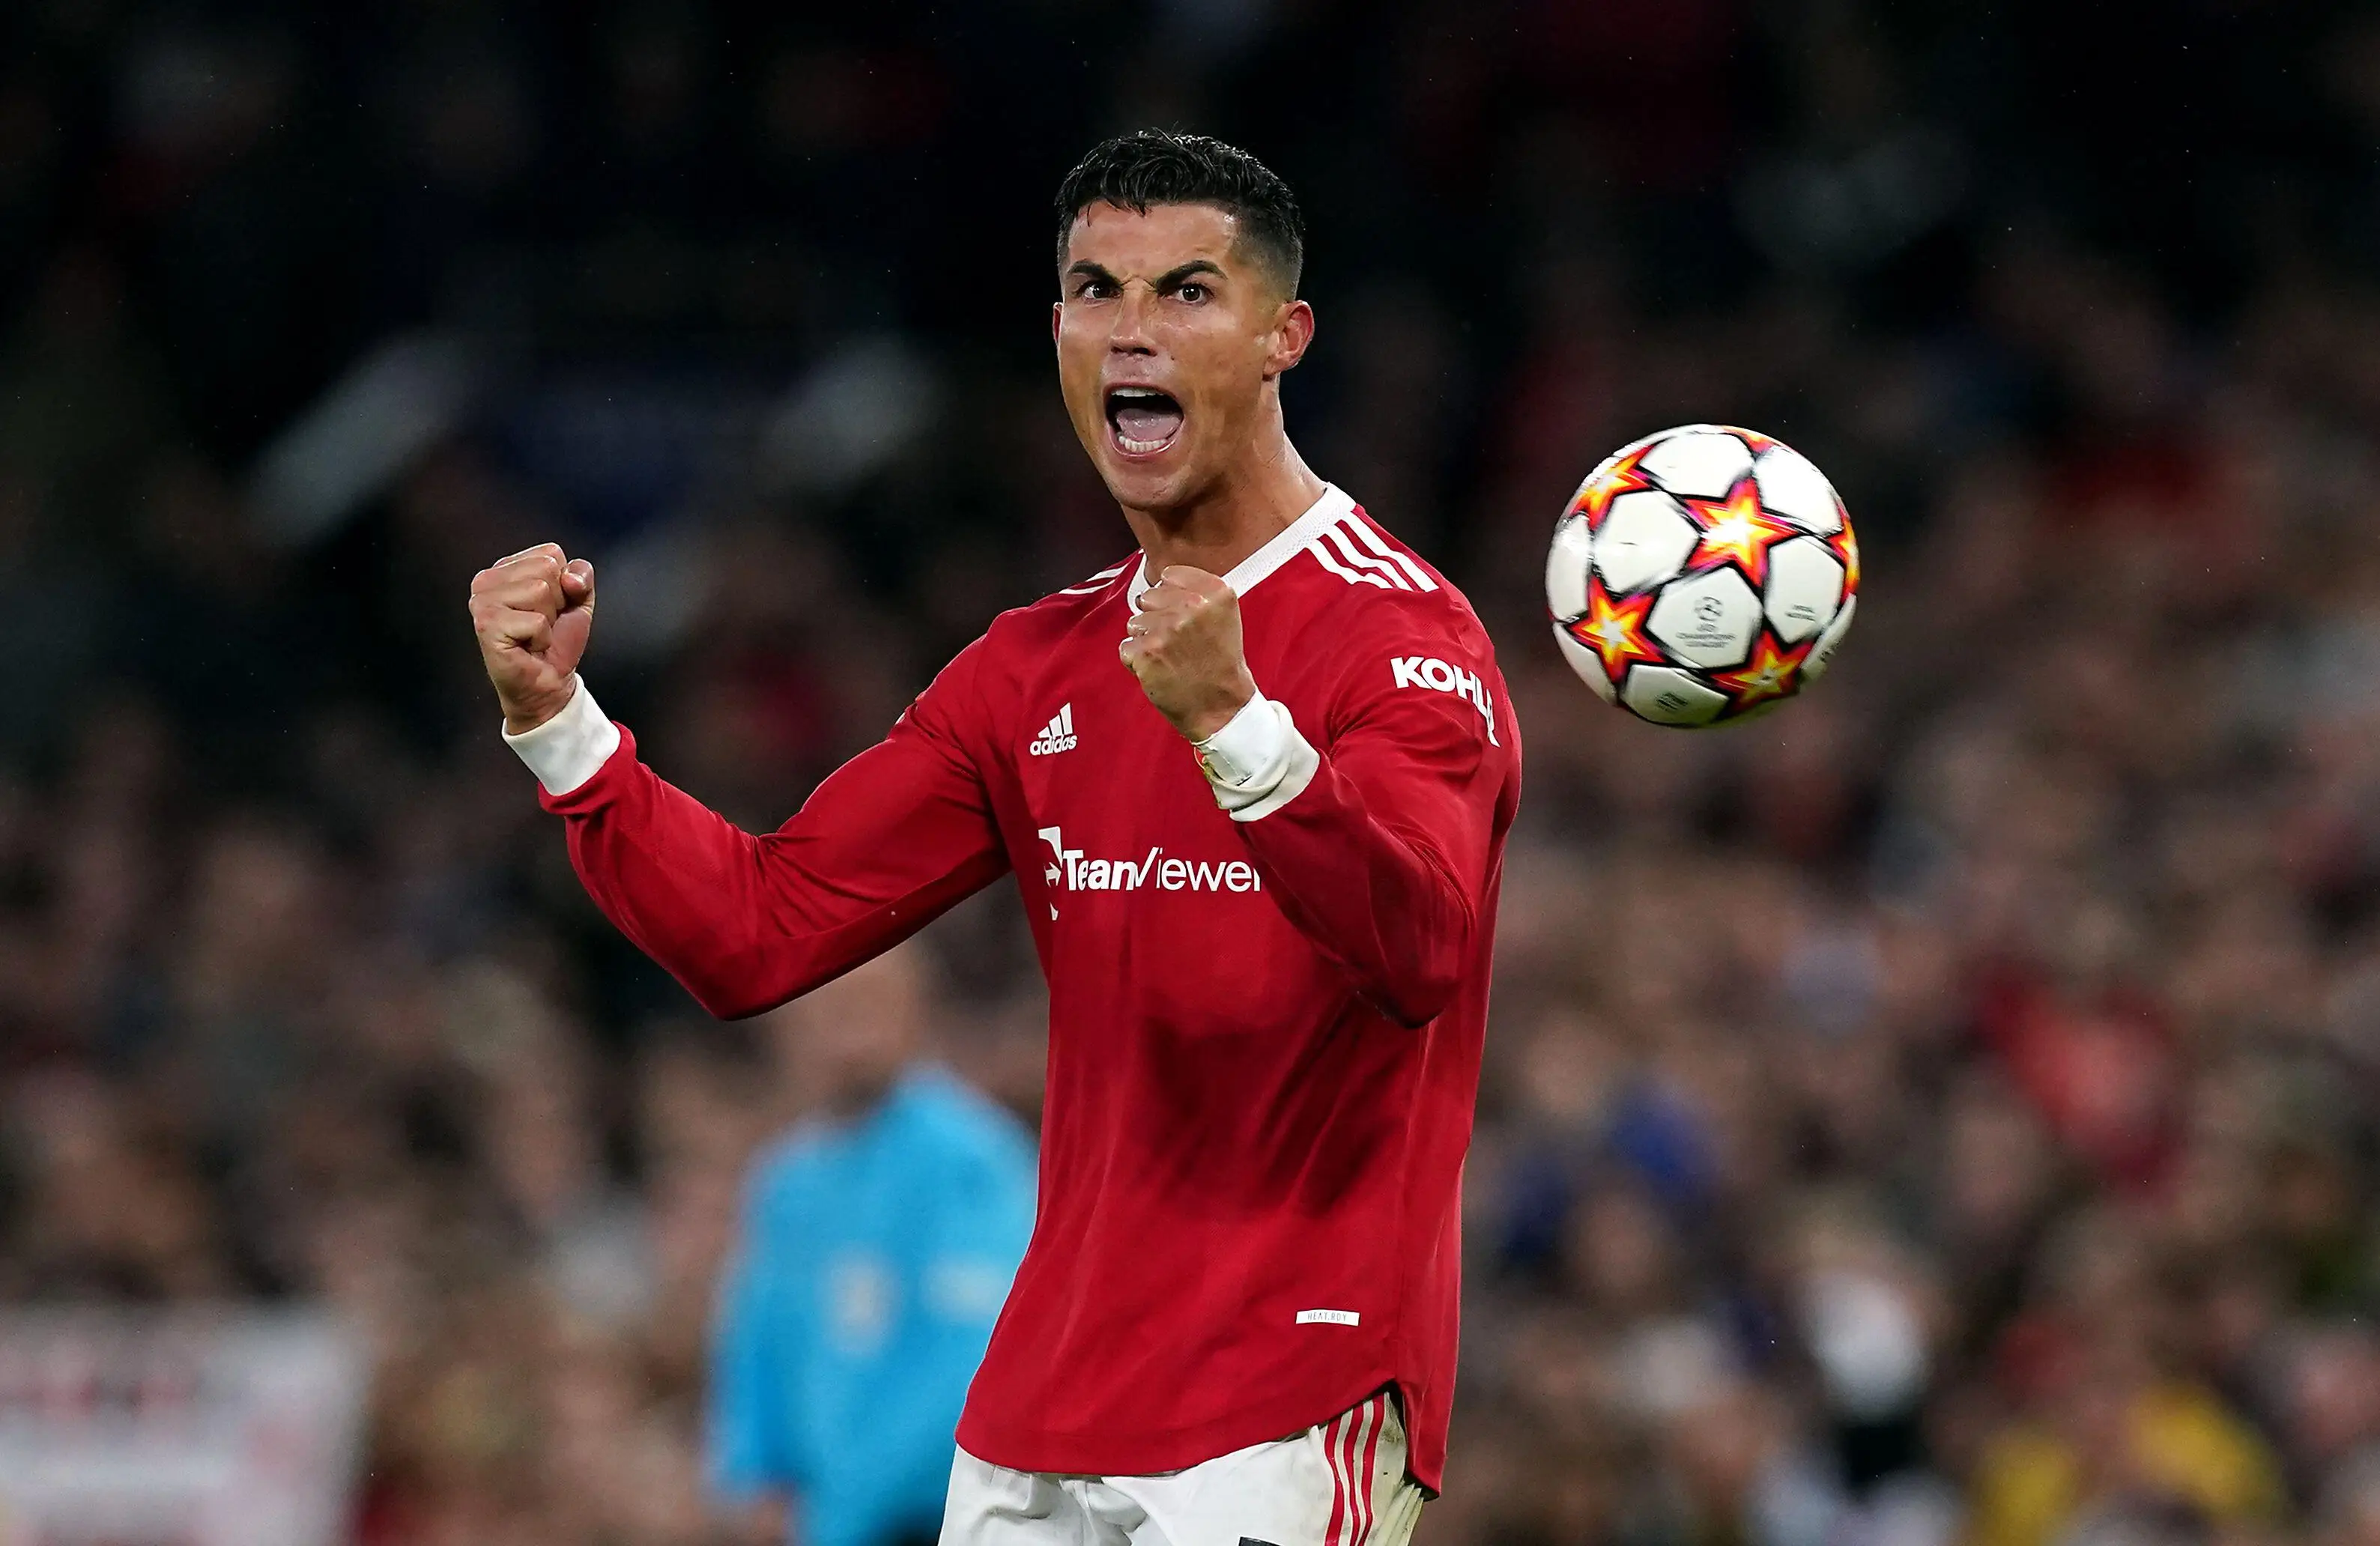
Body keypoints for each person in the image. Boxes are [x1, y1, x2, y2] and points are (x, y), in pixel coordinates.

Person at [468, 130, 1521, 1546]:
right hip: (1035, 1417)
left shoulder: (1399, 632)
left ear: (1285, 336)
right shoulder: (1035, 667)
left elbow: (1422, 947)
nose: (1131, 332)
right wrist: (562, 729)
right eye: (1097, 290)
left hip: (1284, 1391)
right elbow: (761, 929)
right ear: (1056, 329)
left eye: (1187, 292)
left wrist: (1239, 729)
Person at [709, 943, 1037, 1546]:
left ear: (915, 1006)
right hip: (817, 1519)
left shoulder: (971, 1162)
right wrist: (752, 1480)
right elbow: (756, 1344)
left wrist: (840, 1514)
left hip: (932, 1519)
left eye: (865, 1001)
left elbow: (974, 1368)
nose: (843, 1023)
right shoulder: (785, 1181)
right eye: (825, 1001)